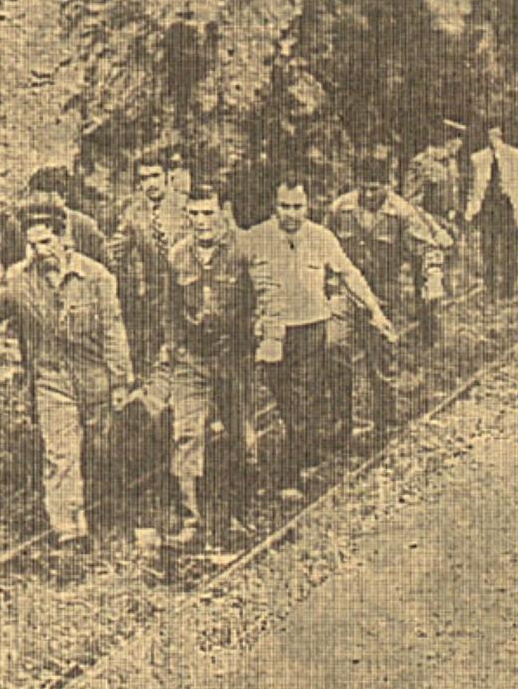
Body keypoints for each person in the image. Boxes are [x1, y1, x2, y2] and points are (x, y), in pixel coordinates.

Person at [0, 193, 133, 554]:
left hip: (95, 377)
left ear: (63, 238)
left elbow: (113, 330)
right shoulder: (19, 279)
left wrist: (120, 380)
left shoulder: (96, 277)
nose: (40, 250)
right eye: (32, 243)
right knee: (60, 453)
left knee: (102, 449)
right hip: (52, 379)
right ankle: (69, 533)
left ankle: (110, 509)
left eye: (46, 241)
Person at [247, 182, 394, 501]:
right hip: (273, 333)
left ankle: (291, 476)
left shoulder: (320, 237)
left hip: (311, 328)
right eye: (284, 206)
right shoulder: (255, 238)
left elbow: (348, 274)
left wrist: (374, 310)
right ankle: (298, 453)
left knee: (304, 401)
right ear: (275, 206)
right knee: (283, 400)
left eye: (297, 207)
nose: (291, 214)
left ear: (308, 206)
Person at [161, 183, 283, 549]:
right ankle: (192, 519)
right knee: (186, 433)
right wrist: (173, 348)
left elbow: (267, 293)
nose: (202, 222)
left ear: (222, 212)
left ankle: (241, 509)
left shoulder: (245, 248)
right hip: (193, 360)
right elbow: (168, 309)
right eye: (195, 214)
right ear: (187, 215)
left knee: (240, 434)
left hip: (235, 357)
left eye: (208, 213)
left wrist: (271, 335)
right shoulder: (178, 255)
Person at [326, 157, 446, 443]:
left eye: (375, 188)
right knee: (334, 347)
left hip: (383, 293)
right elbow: (321, 244)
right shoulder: (341, 208)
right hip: (346, 291)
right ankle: (342, 424)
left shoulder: (401, 212)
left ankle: (385, 423)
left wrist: (433, 278)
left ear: (387, 185)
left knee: (380, 358)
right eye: (364, 188)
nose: (368, 195)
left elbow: (427, 248)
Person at [106, 150, 191, 418]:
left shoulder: (188, 207)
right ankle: (157, 414)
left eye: (155, 176)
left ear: (168, 176)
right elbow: (113, 252)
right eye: (144, 178)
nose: (150, 183)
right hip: (155, 301)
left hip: (191, 295)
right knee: (159, 357)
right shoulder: (135, 213)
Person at [466, 121, 518, 301]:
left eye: (496, 135)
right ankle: (490, 290)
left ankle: (509, 289)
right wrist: (471, 209)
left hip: (508, 206)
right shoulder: (478, 159)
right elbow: (473, 187)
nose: (493, 139)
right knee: (488, 248)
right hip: (488, 208)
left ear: (502, 135)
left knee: (510, 248)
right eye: (490, 135)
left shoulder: (517, 156)